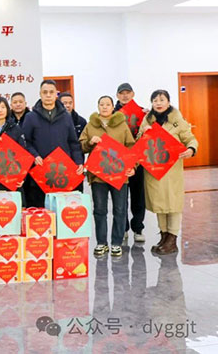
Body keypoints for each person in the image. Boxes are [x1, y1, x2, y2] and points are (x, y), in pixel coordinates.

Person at [139, 90, 197, 255]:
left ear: (168, 102)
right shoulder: (147, 119)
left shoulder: (177, 120)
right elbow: (138, 142)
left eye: (162, 100)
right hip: (154, 169)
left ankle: (172, 239)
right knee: (160, 204)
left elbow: (190, 138)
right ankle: (163, 236)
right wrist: (143, 133)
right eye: (155, 100)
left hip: (172, 170)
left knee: (173, 204)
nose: (158, 103)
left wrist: (191, 149)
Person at [79, 96, 136, 257]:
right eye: (101, 104)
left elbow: (131, 147)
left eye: (107, 104)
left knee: (120, 209)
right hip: (98, 175)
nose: (104, 107)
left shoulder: (122, 125)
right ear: (98, 106)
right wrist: (90, 142)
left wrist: (133, 167)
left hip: (119, 175)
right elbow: (81, 146)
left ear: (112, 107)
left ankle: (117, 243)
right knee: (99, 209)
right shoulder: (91, 125)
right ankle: (101, 243)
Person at [22, 80, 84, 207]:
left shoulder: (66, 117)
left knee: (61, 210)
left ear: (56, 94)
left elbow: (73, 143)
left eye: (51, 92)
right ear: (40, 94)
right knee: (41, 213)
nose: (48, 95)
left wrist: (78, 162)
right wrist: (34, 155)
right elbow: (25, 142)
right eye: (45, 92)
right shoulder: (31, 117)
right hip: (40, 173)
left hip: (62, 173)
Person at [115, 82, 147, 243]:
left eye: (128, 93)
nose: (125, 95)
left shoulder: (142, 113)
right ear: (117, 96)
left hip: (138, 159)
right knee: (120, 197)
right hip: (118, 160)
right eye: (122, 93)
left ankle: (138, 228)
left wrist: (150, 115)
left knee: (138, 195)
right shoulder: (112, 113)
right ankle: (123, 228)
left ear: (133, 94)